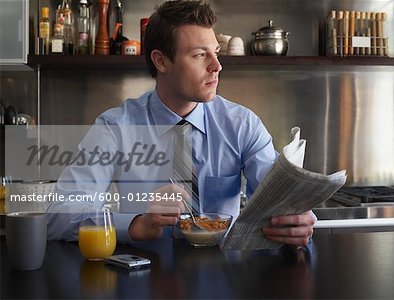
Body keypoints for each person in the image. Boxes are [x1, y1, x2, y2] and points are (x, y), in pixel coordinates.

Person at [47, 0, 316, 248]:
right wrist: (136, 224)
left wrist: (297, 220)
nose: (217, 66)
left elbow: (282, 201)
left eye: (216, 53)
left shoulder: (242, 125)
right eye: (200, 55)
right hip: (145, 278)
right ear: (160, 60)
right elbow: (58, 216)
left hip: (225, 279)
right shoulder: (115, 127)